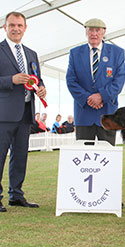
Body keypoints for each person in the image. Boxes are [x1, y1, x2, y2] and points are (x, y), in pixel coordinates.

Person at [0, 12, 46, 212]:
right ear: (5, 27)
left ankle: (16, 195)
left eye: (19, 25)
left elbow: (36, 79)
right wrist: (11, 80)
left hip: (26, 112)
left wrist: (42, 88)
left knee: (20, 156)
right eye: (12, 25)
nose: (16, 29)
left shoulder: (31, 53)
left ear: (25, 28)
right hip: (4, 114)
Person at [66, 18, 125, 146]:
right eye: (91, 30)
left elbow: (119, 81)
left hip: (107, 113)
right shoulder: (75, 53)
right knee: (83, 156)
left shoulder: (117, 53)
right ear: (86, 32)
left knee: (107, 155)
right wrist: (88, 98)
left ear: (104, 32)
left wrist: (101, 96)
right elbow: (71, 81)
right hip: (83, 113)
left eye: (97, 30)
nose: (94, 34)